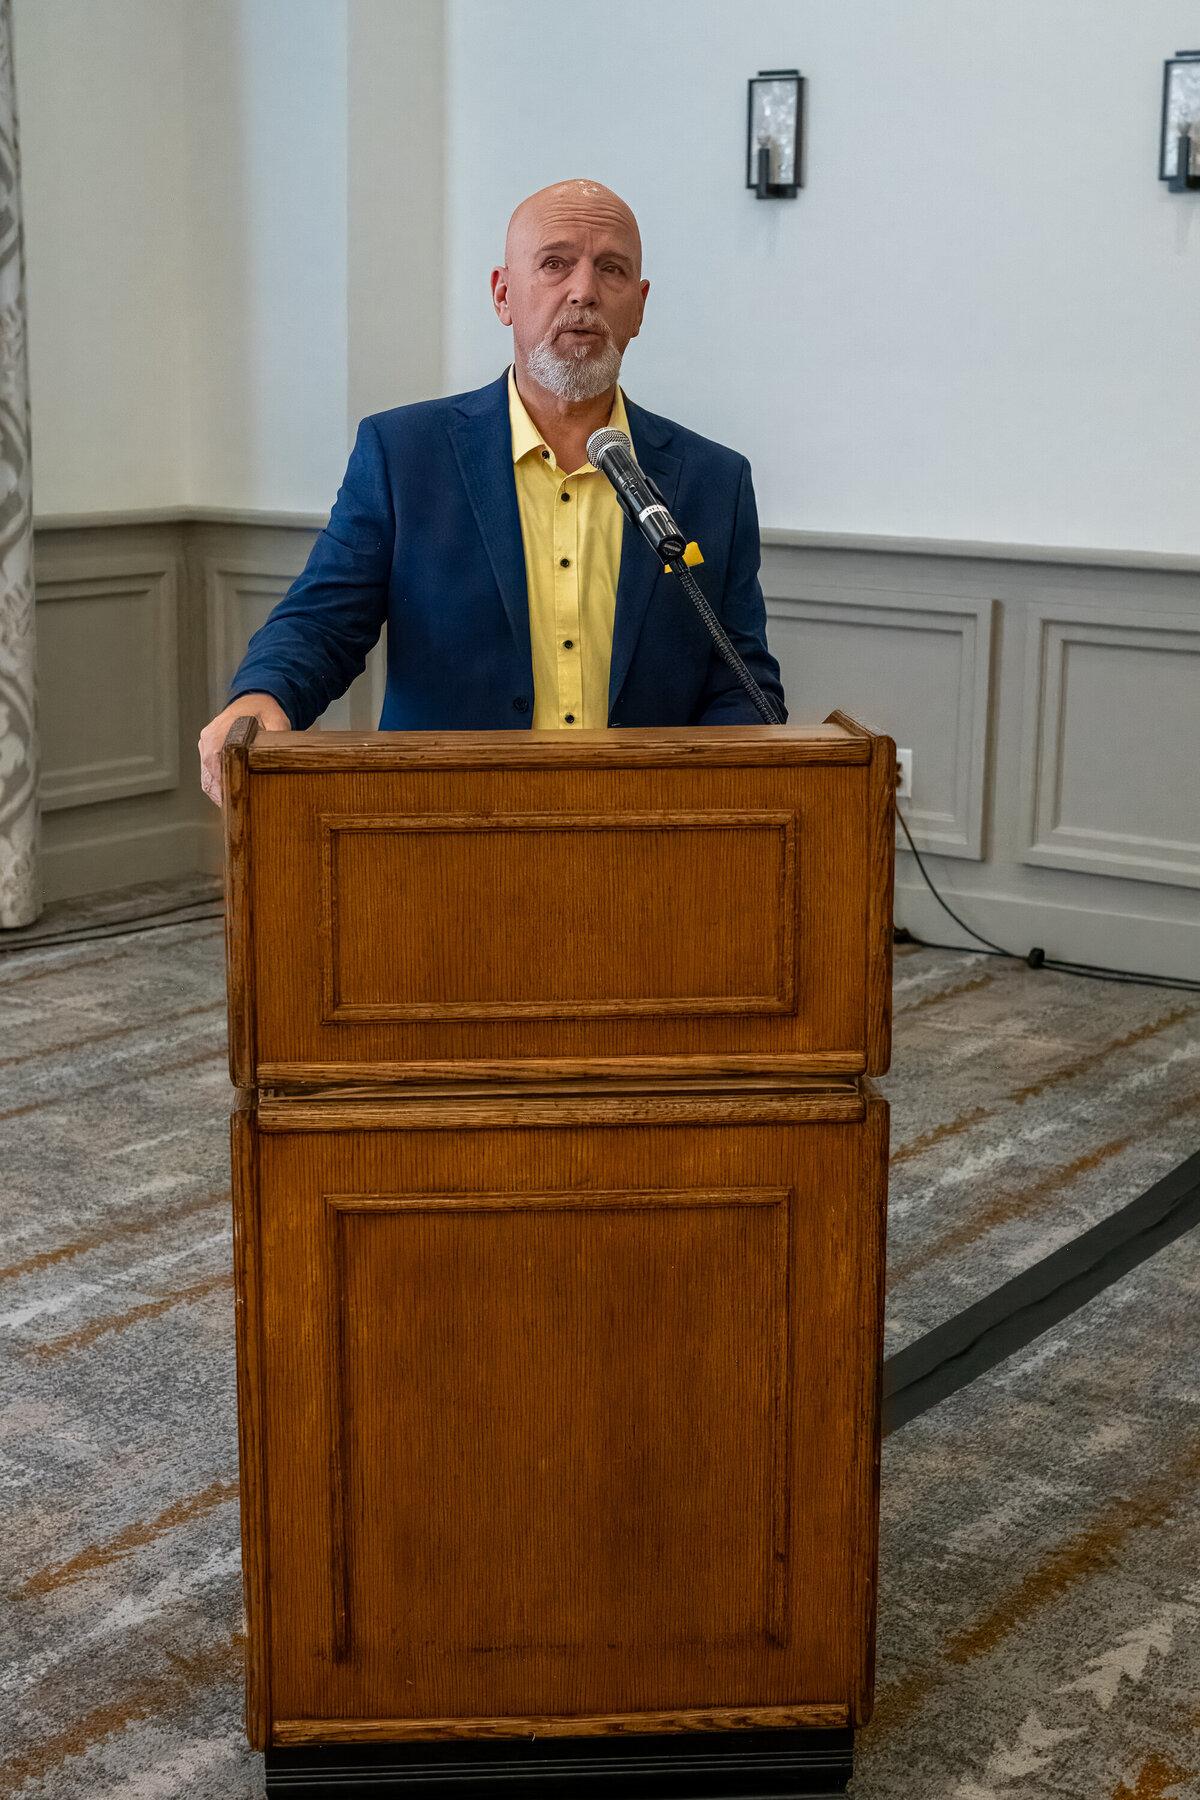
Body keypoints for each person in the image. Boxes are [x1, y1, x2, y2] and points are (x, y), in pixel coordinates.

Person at [198, 178, 785, 804]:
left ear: (638, 307)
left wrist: (709, 799)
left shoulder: (713, 480)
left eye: (611, 269)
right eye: (555, 264)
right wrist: (264, 696)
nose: (583, 290)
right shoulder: (405, 454)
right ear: (504, 295)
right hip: (448, 826)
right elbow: (323, 622)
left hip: (640, 830)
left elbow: (742, 682)